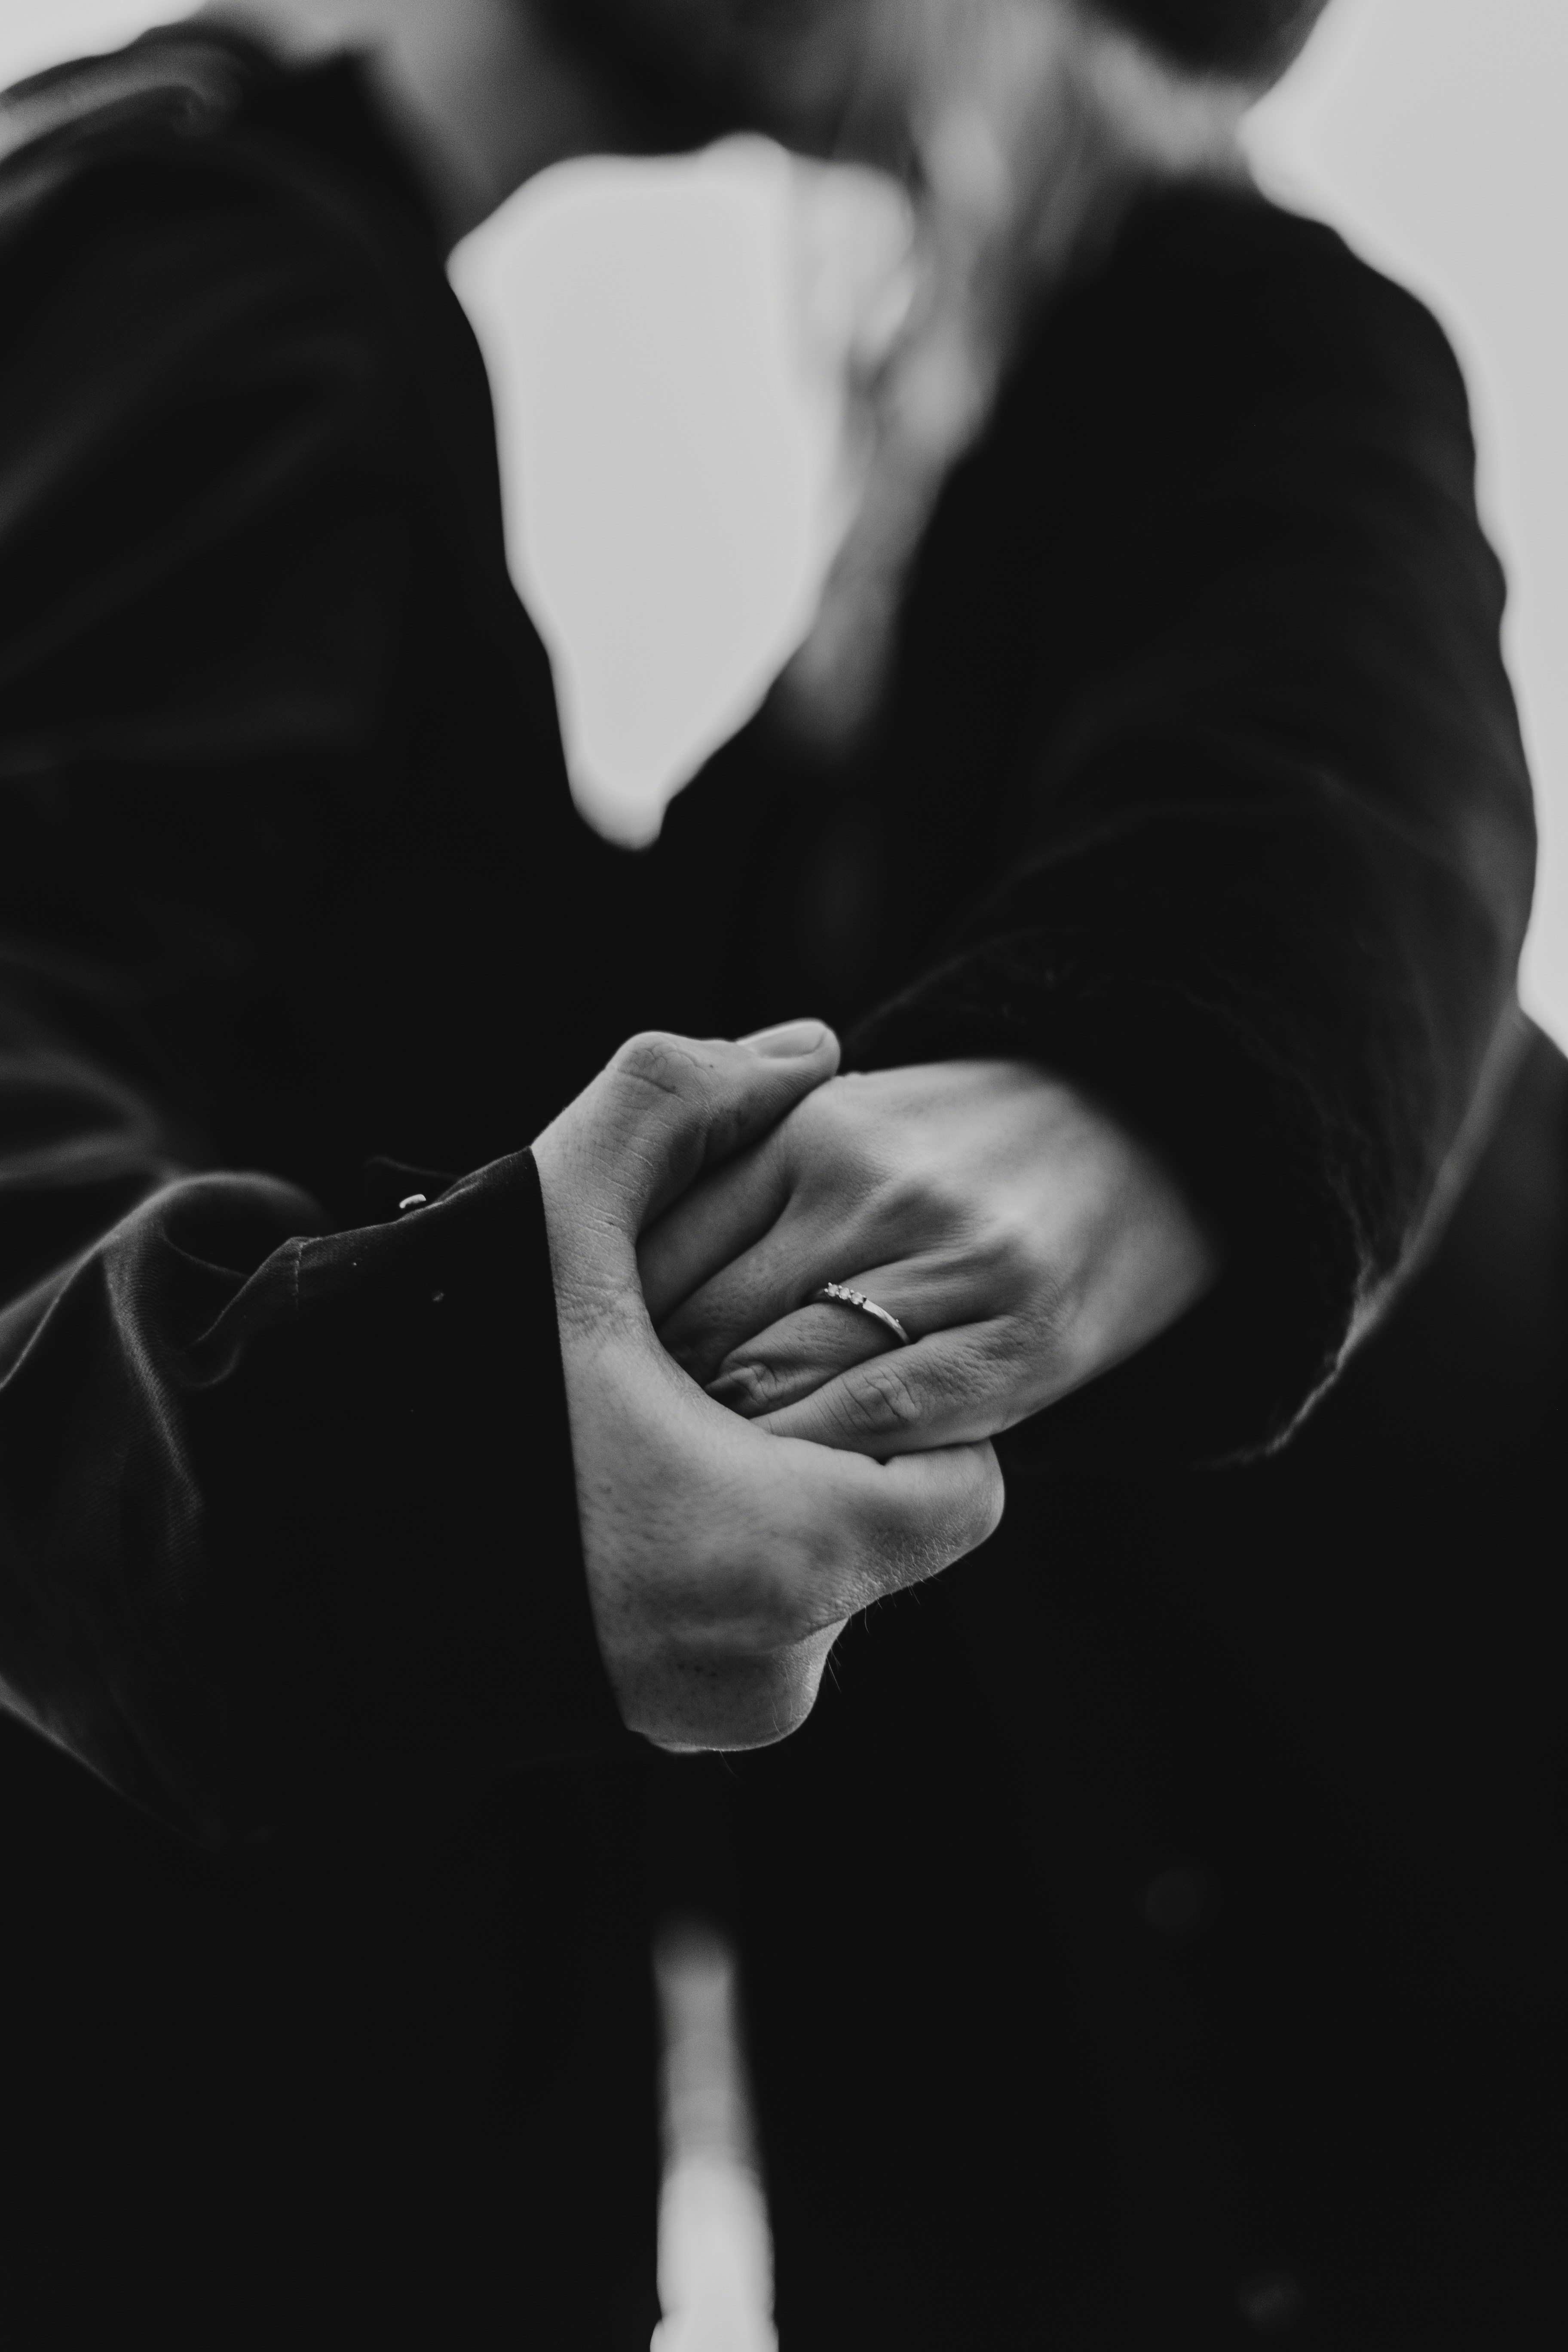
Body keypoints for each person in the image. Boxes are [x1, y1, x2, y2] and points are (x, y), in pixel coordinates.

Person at [0, 0, 1556, 2342]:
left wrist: (1124, 1099)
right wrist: (407, 1474)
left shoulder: (1196, 347)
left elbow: (1325, 719)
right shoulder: (227, 275)